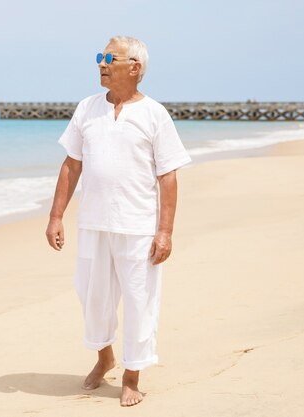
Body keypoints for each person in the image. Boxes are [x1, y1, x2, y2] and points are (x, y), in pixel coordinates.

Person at [45, 36, 191, 407]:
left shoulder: (155, 114)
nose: (101, 64)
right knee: (92, 297)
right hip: (93, 222)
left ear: (135, 67)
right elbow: (72, 163)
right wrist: (56, 215)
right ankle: (104, 357)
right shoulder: (87, 108)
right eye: (100, 57)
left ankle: (131, 375)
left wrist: (165, 231)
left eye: (110, 58)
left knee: (140, 301)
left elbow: (168, 175)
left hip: (138, 225)